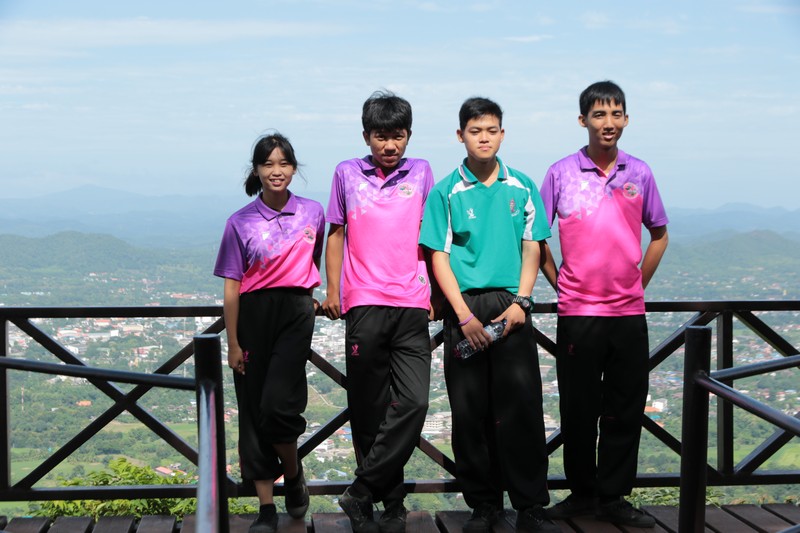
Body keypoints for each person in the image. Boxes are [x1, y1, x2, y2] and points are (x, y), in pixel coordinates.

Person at [419, 97, 558, 533]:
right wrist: (463, 316)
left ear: (502, 134)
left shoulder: (522, 185)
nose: (484, 138)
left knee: (523, 408)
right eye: (475, 131)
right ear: (460, 135)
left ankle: (530, 506)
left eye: (491, 130)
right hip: (465, 308)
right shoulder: (446, 191)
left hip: (512, 305)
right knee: (469, 411)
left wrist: (523, 301)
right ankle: (484, 505)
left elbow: (533, 246)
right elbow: (438, 256)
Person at [540, 81, 669, 529]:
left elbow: (659, 234)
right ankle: (581, 495)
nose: (608, 123)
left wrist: (638, 282)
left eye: (616, 114)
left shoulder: (640, 172)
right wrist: (560, 283)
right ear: (583, 121)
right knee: (578, 410)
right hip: (578, 313)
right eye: (599, 114)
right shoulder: (560, 173)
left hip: (628, 313)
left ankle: (613, 497)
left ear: (626, 119)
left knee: (625, 408)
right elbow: (536, 236)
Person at [321, 91, 434, 533]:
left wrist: (435, 291)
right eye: (381, 136)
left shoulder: (421, 172)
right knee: (368, 408)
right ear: (366, 136)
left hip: (412, 301)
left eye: (398, 136)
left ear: (409, 136)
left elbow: (430, 234)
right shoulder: (346, 173)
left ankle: (361, 490)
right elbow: (335, 233)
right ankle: (388, 505)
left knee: (414, 401)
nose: (390, 145)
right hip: (364, 300)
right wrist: (333, 290)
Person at [214, 133, 324, 533]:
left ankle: (292, 473)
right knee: (252, 409)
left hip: (295, 312)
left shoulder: (312, 212)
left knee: (279, 404)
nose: (276, 171)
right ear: (257, 170)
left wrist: (308, 297)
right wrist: (233, 342)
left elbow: (312, 261)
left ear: (294, 168)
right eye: (268, 164)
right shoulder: (240, 221)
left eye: (283, 163)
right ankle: (265, 507)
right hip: (253, 316)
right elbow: (232, 287)